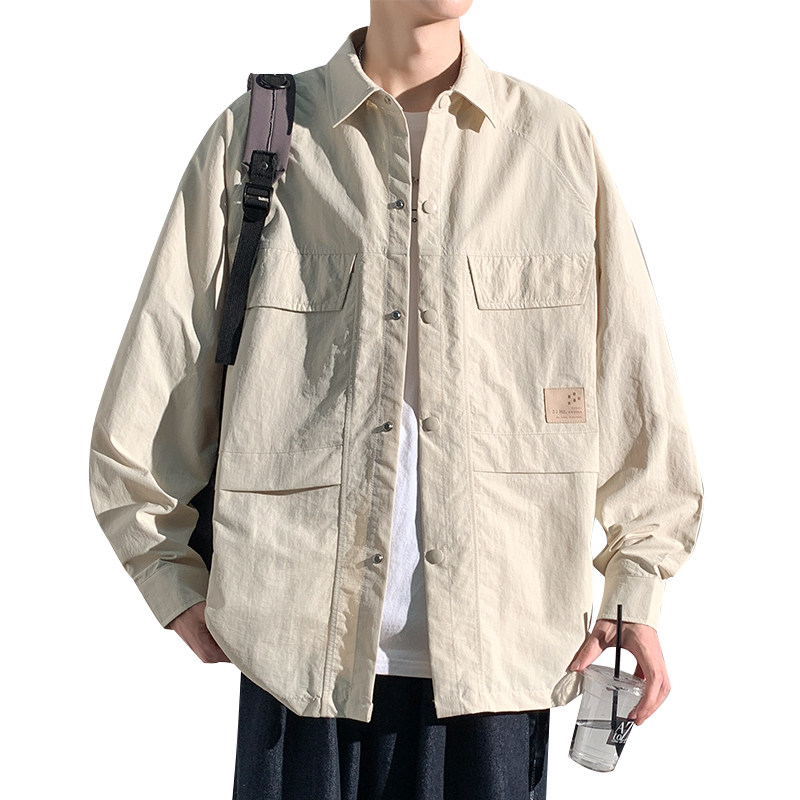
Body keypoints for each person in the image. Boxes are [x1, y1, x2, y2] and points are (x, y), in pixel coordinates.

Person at [88, 2, 704, 798]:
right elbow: (153, 387)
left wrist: (636, 591)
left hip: (501, 660)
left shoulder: (554, 144)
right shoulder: (260, 138)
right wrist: (168, 579)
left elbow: (633, 388)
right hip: (297, 664)